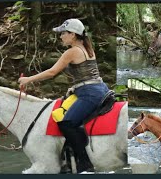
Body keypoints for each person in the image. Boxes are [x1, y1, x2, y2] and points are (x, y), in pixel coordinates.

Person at [18, 18, 109, 173]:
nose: (60, 36)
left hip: (89, 94)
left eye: (63, 33)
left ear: (73, 34)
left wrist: (28, 80)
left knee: (67, 123)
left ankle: (85, 163)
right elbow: (88, 75)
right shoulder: (87, 48)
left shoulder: (72, 51)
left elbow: (52, 72)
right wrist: (75, 87)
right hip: (99, 89)